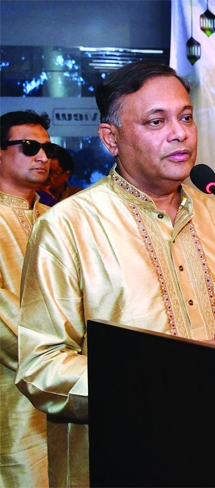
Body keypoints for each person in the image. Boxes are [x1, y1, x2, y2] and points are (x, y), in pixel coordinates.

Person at [15, 61, 215, 487]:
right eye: (157, 121)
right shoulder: (67, 227)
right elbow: (41, 366)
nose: (180, 133)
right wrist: (145, 386)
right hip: (120, 458)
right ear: (110, 139)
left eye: (186, 117)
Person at [0, 110, 51, 486]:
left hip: (76, 387)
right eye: (30, 147)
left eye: (47, 149)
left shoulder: (59, 218)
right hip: (12, 389)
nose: (43, 157)